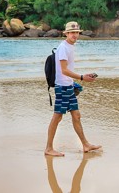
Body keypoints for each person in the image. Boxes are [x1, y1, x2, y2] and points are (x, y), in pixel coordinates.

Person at [44, 21, 102, 157]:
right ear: (67, 33)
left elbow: (66, 71)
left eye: (76, 32)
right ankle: (48, 148)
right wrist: (82, 77)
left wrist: (75, 82)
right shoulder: (63, 48)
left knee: (76, 115)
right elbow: (64, 70)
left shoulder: (70, 46)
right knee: (57, 117)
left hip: (68, 86)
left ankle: (85, 145)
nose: (75, 35)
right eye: (72, 32)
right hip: (62, 87)